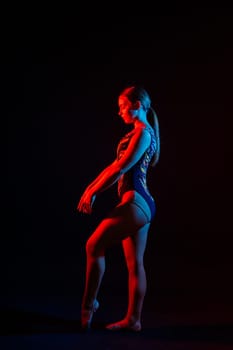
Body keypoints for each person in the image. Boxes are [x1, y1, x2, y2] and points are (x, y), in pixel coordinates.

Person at [77, 85, 160, 331]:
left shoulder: (143, 134)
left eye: (123, 106)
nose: (119, 112)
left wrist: (93, 191)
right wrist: (89, 188)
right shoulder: (137, 134)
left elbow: (120, 168)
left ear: (137, 106)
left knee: (94, 245)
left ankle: (88, 306)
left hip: (137, 202)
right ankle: (134, 320)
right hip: (140, 204)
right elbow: (112, 166)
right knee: (135, 262)